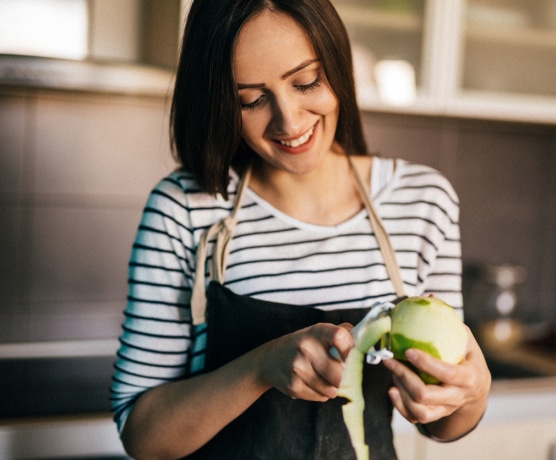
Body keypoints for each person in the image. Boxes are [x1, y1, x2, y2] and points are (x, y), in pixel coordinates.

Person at [110, 0, 491, 458]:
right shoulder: (185, 209)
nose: (289, 122)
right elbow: (142, 435)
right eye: (250, 99)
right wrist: (260, 368)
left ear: (337, 63)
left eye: (306, 81)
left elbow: (444, 423)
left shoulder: (422, 203)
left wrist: (474, 391)